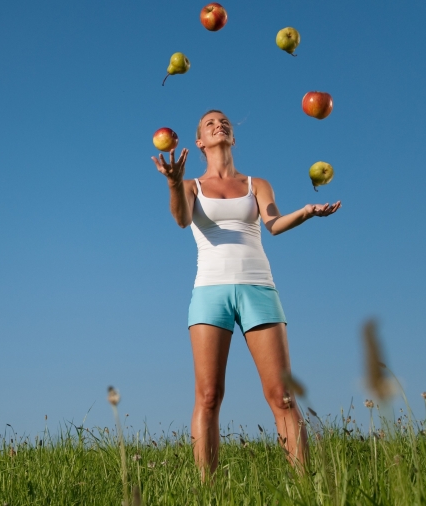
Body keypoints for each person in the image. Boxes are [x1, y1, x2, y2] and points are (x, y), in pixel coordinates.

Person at [151, 110, 340, 476]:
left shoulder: (257, 184)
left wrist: (306, 211)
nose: (219, 125)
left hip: (259, 288)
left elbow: (274, 224)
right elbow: (182, 220)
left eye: (224, 122)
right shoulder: (191, 186)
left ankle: (306, 488)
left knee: (282, 396)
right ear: (199, 142)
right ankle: (207, 493)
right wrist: (174, 183)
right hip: (210, 291)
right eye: (209, 123)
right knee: (208, 396)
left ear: (233, 138)